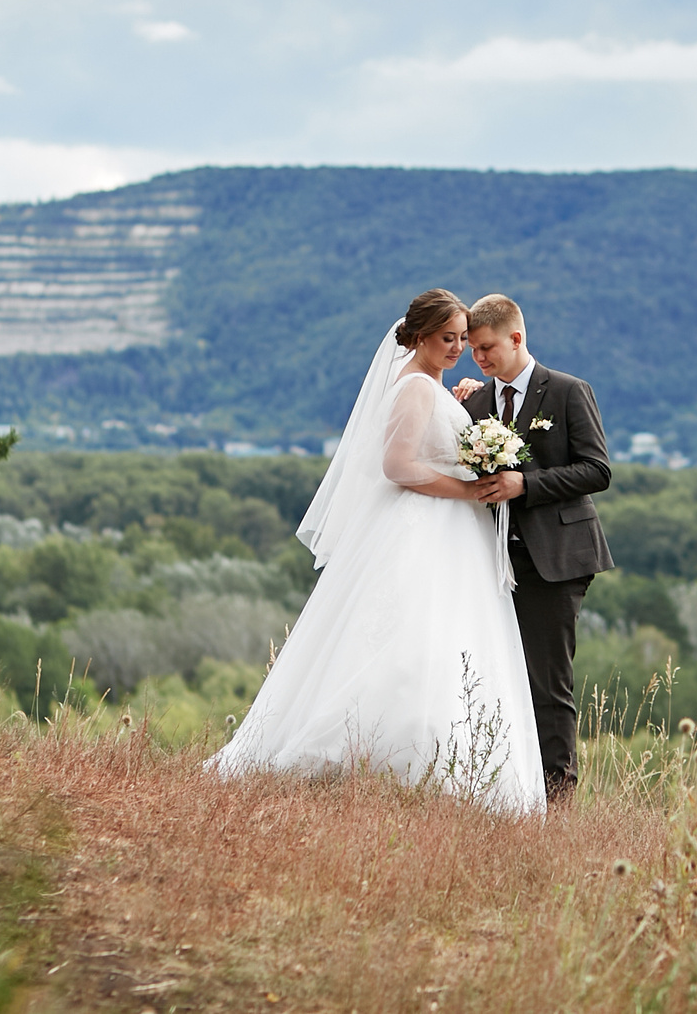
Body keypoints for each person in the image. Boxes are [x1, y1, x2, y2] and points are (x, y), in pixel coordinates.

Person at [208, 289, 546, 814]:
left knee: (445, 636)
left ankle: (440, 759)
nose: (457, 347)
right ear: (418, 337)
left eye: (462, 338)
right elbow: (399, 467)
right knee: (409, 633)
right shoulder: (414, 386)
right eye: (447, 338)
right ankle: (387, 751)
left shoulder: (430, 385)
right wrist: (467, 489)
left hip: (450, 530)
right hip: (424, 525)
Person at [452, 294, 613, 804]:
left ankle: (556, 798)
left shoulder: (567, 391)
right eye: (473, 351)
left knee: (549, 682)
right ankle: (509, 792)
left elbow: (598, 470)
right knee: (496, 677)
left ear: (516, 338)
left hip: (557, 558)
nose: (479, 359)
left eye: (486, 348)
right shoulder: (475, 402)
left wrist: (527, 484)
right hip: (491, 560)